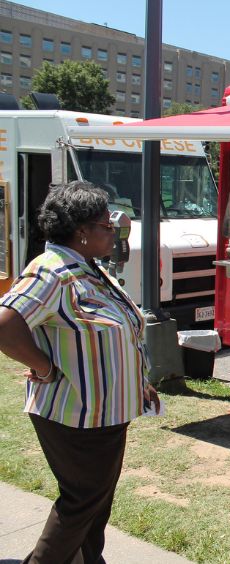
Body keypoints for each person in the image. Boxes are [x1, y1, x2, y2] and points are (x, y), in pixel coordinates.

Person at [0, 181, 160, 564]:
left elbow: (118, 334)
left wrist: (141, 382)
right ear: (82, 231)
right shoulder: (53, 271)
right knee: (82, 500)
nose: (114, 232)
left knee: (95, 501)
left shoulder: (86, 267)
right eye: (107, 226)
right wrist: (42, 366)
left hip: (105, 413)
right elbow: (6, 323)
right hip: (77, 415)